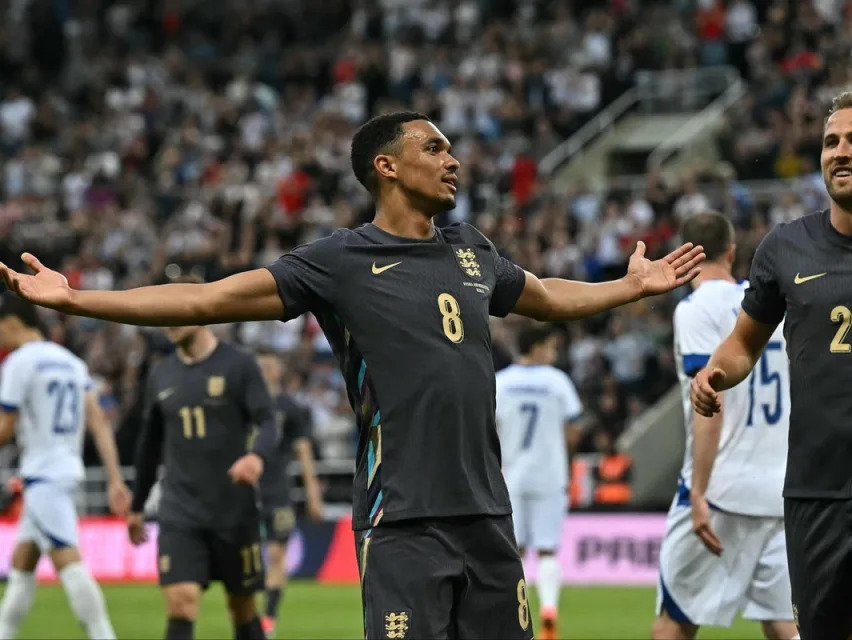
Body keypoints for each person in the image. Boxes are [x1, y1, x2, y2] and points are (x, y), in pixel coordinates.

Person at [0, 111, 704, 640]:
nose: (453, 160)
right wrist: (77, 298)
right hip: (402, 520)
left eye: (452, 148)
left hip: (489, 517)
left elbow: (549, 297)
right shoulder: (339, 262)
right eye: (434, 148)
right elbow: (207, 298)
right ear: (386, 168)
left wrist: (627, 287)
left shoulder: (472, 250)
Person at [690, 91, 852, 640]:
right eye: (831, 141)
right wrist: (714, 373)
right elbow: (742, 344)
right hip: (813, 491)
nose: (840, 151)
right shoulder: (784, 249)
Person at [653, 212, 796, 640]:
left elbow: (708, 400)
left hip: (722, 490)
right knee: (784, 623)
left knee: (674, 623)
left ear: (683, 256)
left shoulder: (696, 309)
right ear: (732, 253)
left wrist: (698, 491)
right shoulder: (771, 307)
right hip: (781, 490)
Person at [127, 285, 279, 640]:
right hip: (180, 510)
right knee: (181, 602)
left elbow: (269, 421)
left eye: (176, 310)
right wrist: (137, 506)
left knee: (242, 608)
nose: (169, 321)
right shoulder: (160, 375)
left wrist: (256, 457)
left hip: (233, 509)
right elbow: (149, 446)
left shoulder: (239, 365)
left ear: (201, 309)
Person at [0, 292, 130, 640]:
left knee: (69, 563)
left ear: (11, 324)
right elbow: (100, 424)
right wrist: (115, 478)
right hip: (64, 470)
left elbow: (5, 427)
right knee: (22, 565)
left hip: (42, 475)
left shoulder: (18, 362)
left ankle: (105, 635)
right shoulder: (72, 363)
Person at [496, 325, 583, 640]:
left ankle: (513, 614)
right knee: (547, 549)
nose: (554, 354)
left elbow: (489, 429)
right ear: (536, 348)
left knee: (512, 550)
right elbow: (574, 429)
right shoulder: (557, 382)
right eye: (550, 347)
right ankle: (549, 613)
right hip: (550, 475)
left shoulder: (501, 382)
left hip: (511, 477)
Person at [254, 349, 324, 638]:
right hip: (243, 492)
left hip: (277, 492)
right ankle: (248, 615)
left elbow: (303, 450)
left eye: (271, 364)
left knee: (276, 554)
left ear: (280, 369)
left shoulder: (290, 407)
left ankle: (268, 617)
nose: (267, 369)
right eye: (262, 365)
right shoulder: (245, 403)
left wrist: (313, 493)